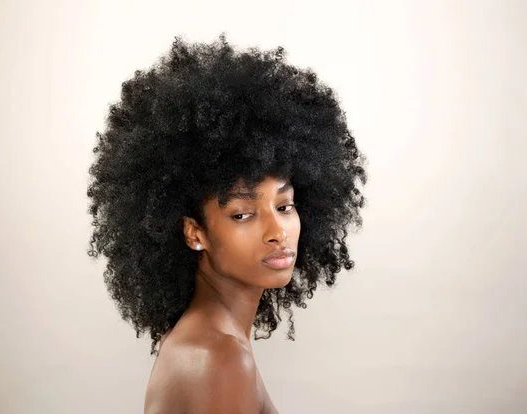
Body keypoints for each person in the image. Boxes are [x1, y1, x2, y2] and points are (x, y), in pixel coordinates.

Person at [86, 32, 368, 413]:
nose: (277, 232)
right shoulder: (219, 358)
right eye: (243, 214)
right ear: (194, 232)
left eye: (284, 206)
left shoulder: (207, 341)